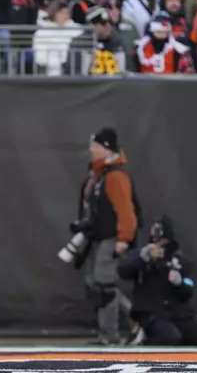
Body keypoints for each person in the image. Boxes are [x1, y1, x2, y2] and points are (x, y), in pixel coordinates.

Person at [70, 127, 141, 345]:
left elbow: (125, 210)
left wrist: (124, 238)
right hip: (98, 236)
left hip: (111, 237)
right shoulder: (98, 177)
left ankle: (110, 335)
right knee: (94, 282)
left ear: (106, 149)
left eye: (95, 145)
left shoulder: (115, 176)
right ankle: (137, 320)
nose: (91, 149)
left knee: (104, 284)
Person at [118, 215, 197, 345]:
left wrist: (180, 283)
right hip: (152, 313)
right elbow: (123, 271)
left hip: (179, 313)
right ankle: (143, 337)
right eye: (155, 240)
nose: (158, 244)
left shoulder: (180, 261)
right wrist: (142, 259)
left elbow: (188, 290)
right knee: (169, 337)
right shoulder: (140, 256)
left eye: (162, 240)